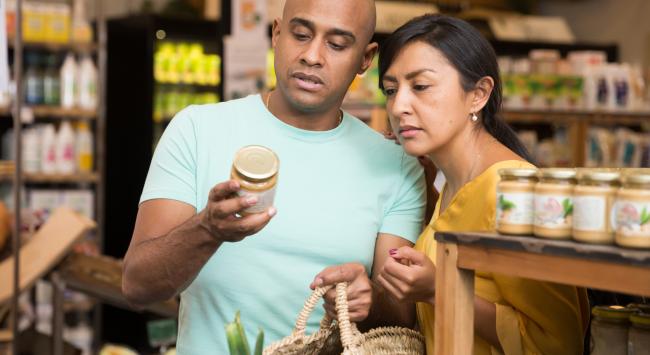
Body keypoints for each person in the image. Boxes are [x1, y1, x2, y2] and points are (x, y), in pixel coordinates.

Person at [121, 0, 426, 353]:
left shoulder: (396, 166)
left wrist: (369, 300)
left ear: (365, 59)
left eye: (337, 44)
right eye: (300, 34)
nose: (312, 55)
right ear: (277, 34)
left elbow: (403, 316)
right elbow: (137, 286)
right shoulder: (196, 129)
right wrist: (207, 229)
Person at [370, 14, 589, 354]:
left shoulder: (516, 192)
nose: (398, 107)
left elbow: (558, 342)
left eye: (421, 87)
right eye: (390, 90)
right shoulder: (449, 186)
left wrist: (439, 291)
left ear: (479, 94)